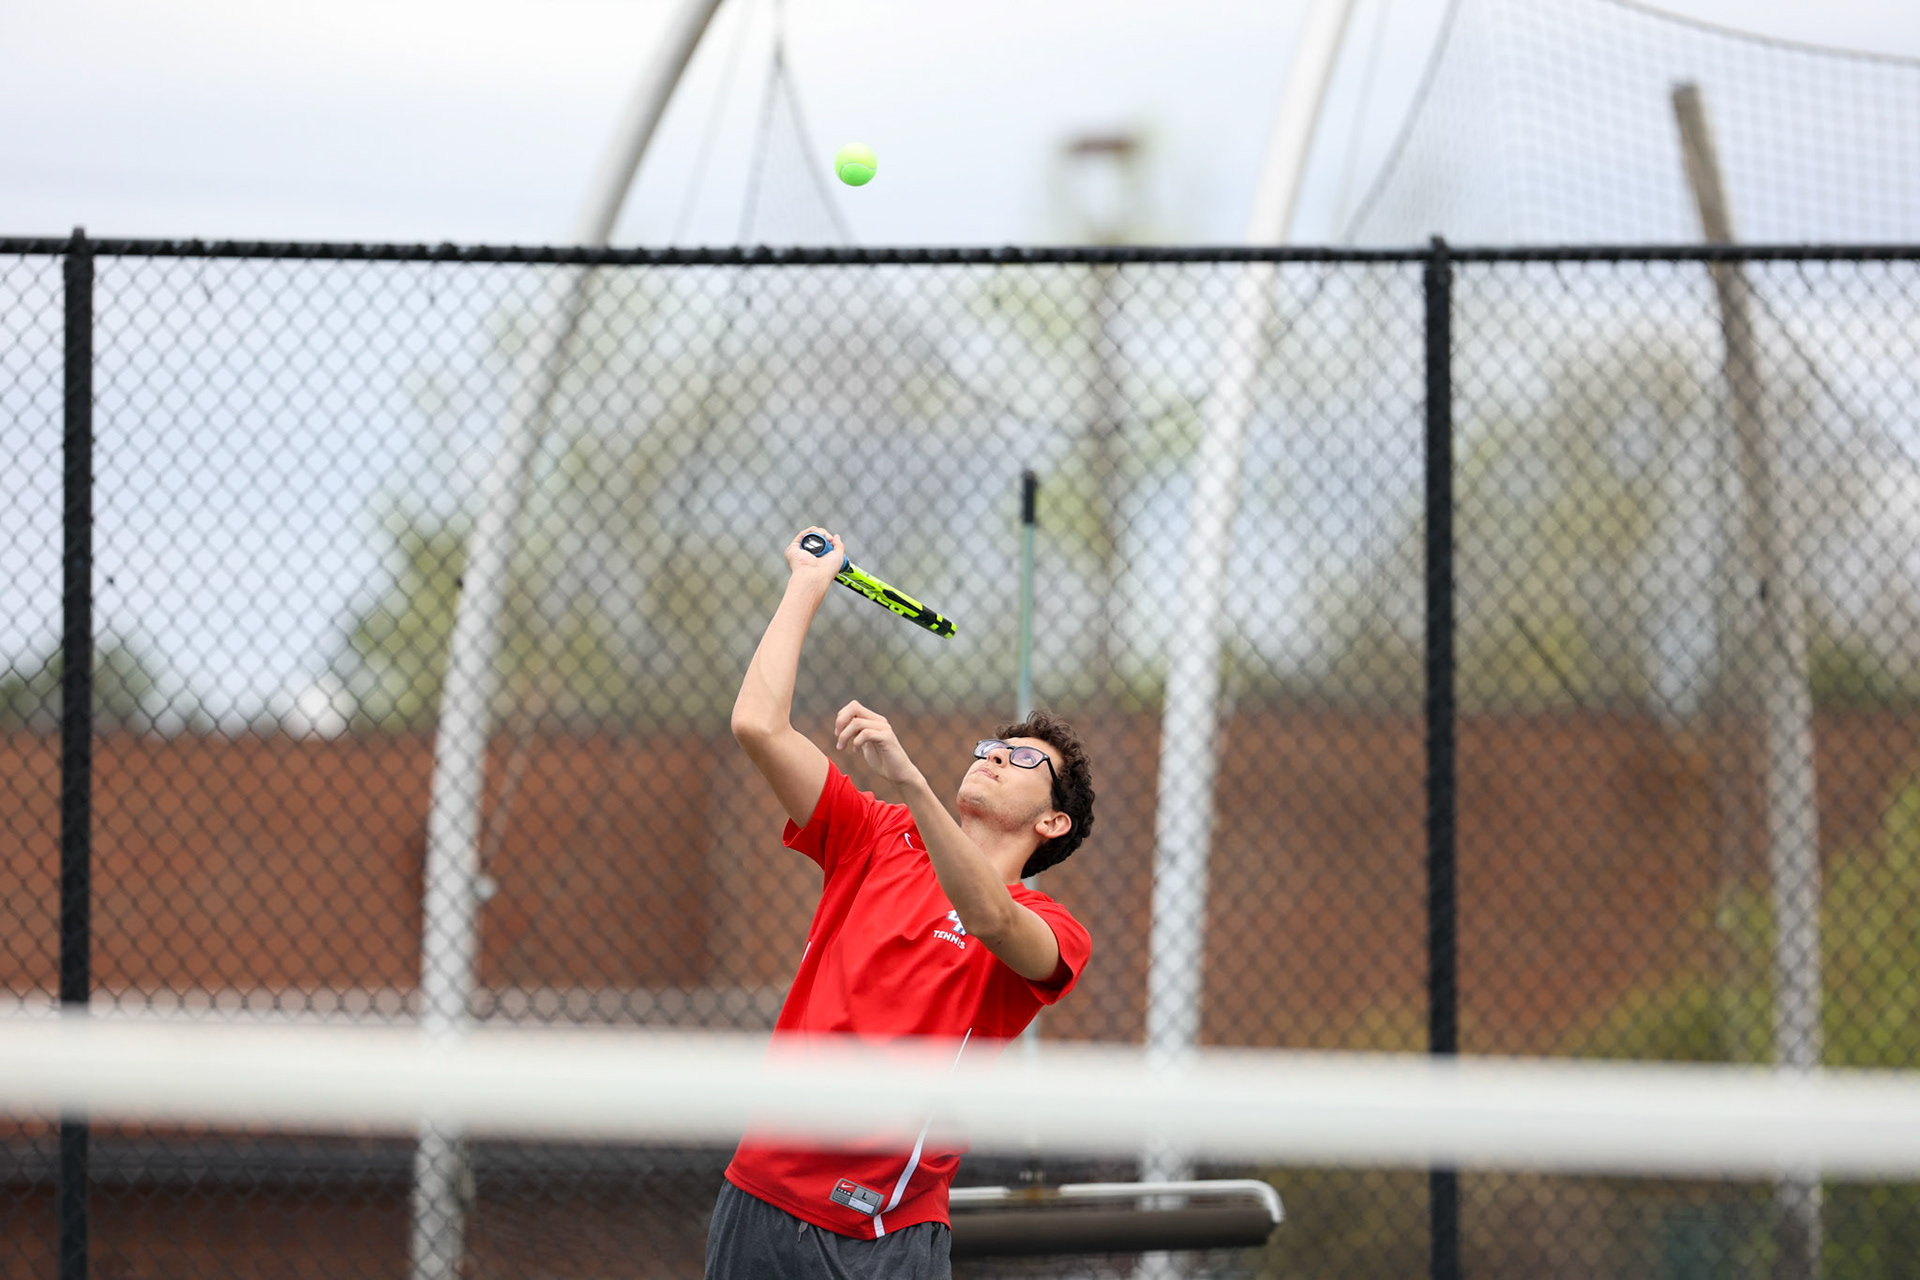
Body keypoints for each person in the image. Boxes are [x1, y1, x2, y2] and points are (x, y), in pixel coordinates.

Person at [705, 527, 1096, 1280]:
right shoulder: (874, 838)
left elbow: (986, 919)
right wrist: (807, 584)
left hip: (880, 1234)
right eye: (990, 746)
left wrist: (914, 783)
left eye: (1020, 760)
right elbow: (758, 725)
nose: (991, 757)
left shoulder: (1054, 930)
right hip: (758, 1196)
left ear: (1052, 822)